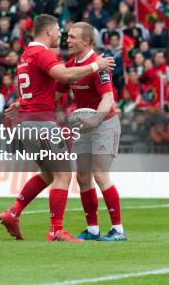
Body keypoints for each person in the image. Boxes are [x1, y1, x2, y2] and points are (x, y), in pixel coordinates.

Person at [0, 14, 115, 241]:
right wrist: (96, 65)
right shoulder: (41, 52)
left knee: (48, 174)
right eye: (60, 31)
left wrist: (21, 104)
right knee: (64, 175)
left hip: (25, 121)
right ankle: (56, 230)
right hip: (41, 123)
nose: (61, 35)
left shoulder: (25, 55)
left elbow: (39, 87)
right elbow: (62, 75)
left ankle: (13, 212)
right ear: (49, 31)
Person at [57, 22, 126, 241]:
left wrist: (94, 120)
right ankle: (93, 230)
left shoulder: (99, 65)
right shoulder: (71, 65)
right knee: (83, 177)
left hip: (104, 122)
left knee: (100, 174)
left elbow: (109, 98)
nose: (67, 40)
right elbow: (56, 88)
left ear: (86, 41)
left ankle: (118, 230)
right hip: (84, 125)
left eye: (72, 37)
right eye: (67, 36)